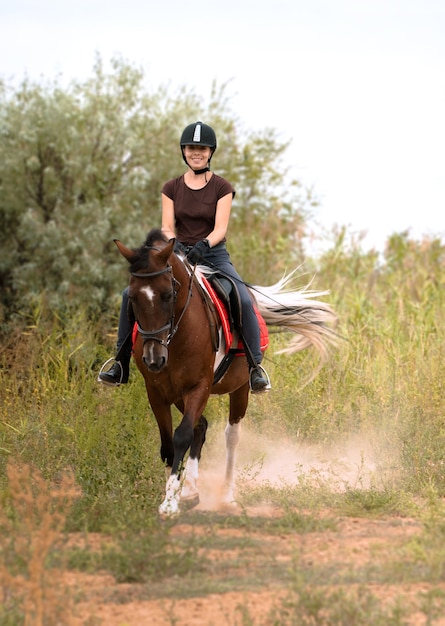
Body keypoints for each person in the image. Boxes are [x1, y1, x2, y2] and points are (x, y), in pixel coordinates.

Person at [98, 121, 270, 393]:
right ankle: (120, 363)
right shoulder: (171, 187)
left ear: (210, 151)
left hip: (213, 255)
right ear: (184, 151)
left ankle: (254, 366)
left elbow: (221, 228)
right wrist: (174, 246)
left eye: (201, 148)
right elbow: (167, 226)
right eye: (191, 148)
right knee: (127, 295)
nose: (196, 153)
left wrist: (203, 244)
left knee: (242, 296)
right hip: (177, 254)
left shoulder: (222, 187)